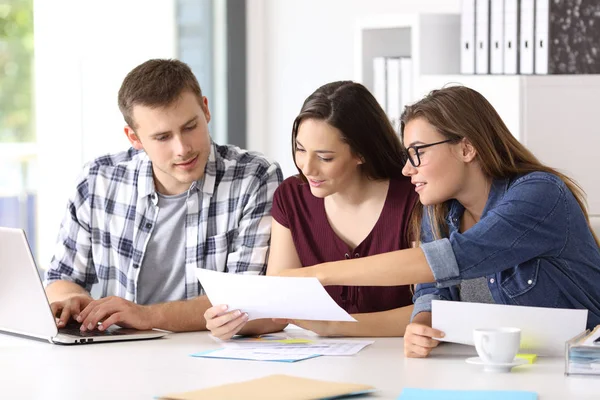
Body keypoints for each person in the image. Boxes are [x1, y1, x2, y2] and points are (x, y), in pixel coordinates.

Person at [278, 85, 600, 356]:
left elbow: (449, 260)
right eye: (407, 154)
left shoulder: (539, 195)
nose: (407, 169)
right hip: (497, 371)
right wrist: (421, 321)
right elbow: (433, 289)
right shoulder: (439, 211)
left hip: (577, 368)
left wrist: (319, 274)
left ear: (467, 148)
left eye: (418, 152)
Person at [44, 59, 283, 333]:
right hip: (117, 357)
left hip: (209, 355)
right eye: (162, 137)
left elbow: (249, 299)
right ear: (134, 137)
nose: (182, 148)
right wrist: (69, 300)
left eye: (190, 127)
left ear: (205, 109)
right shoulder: (97, 179)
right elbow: (60, 278)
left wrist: (146, 316)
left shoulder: (254, 177)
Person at [204, 81, 419, 340]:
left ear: (362, 153)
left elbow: (426, 312)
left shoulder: (414, 196)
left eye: (325, 157)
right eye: (300, 149)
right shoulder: (292, 197)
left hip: (399, 358)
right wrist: (232, 321)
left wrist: (333, 326)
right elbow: (279, 305)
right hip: (323, 362)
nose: (307, 167)